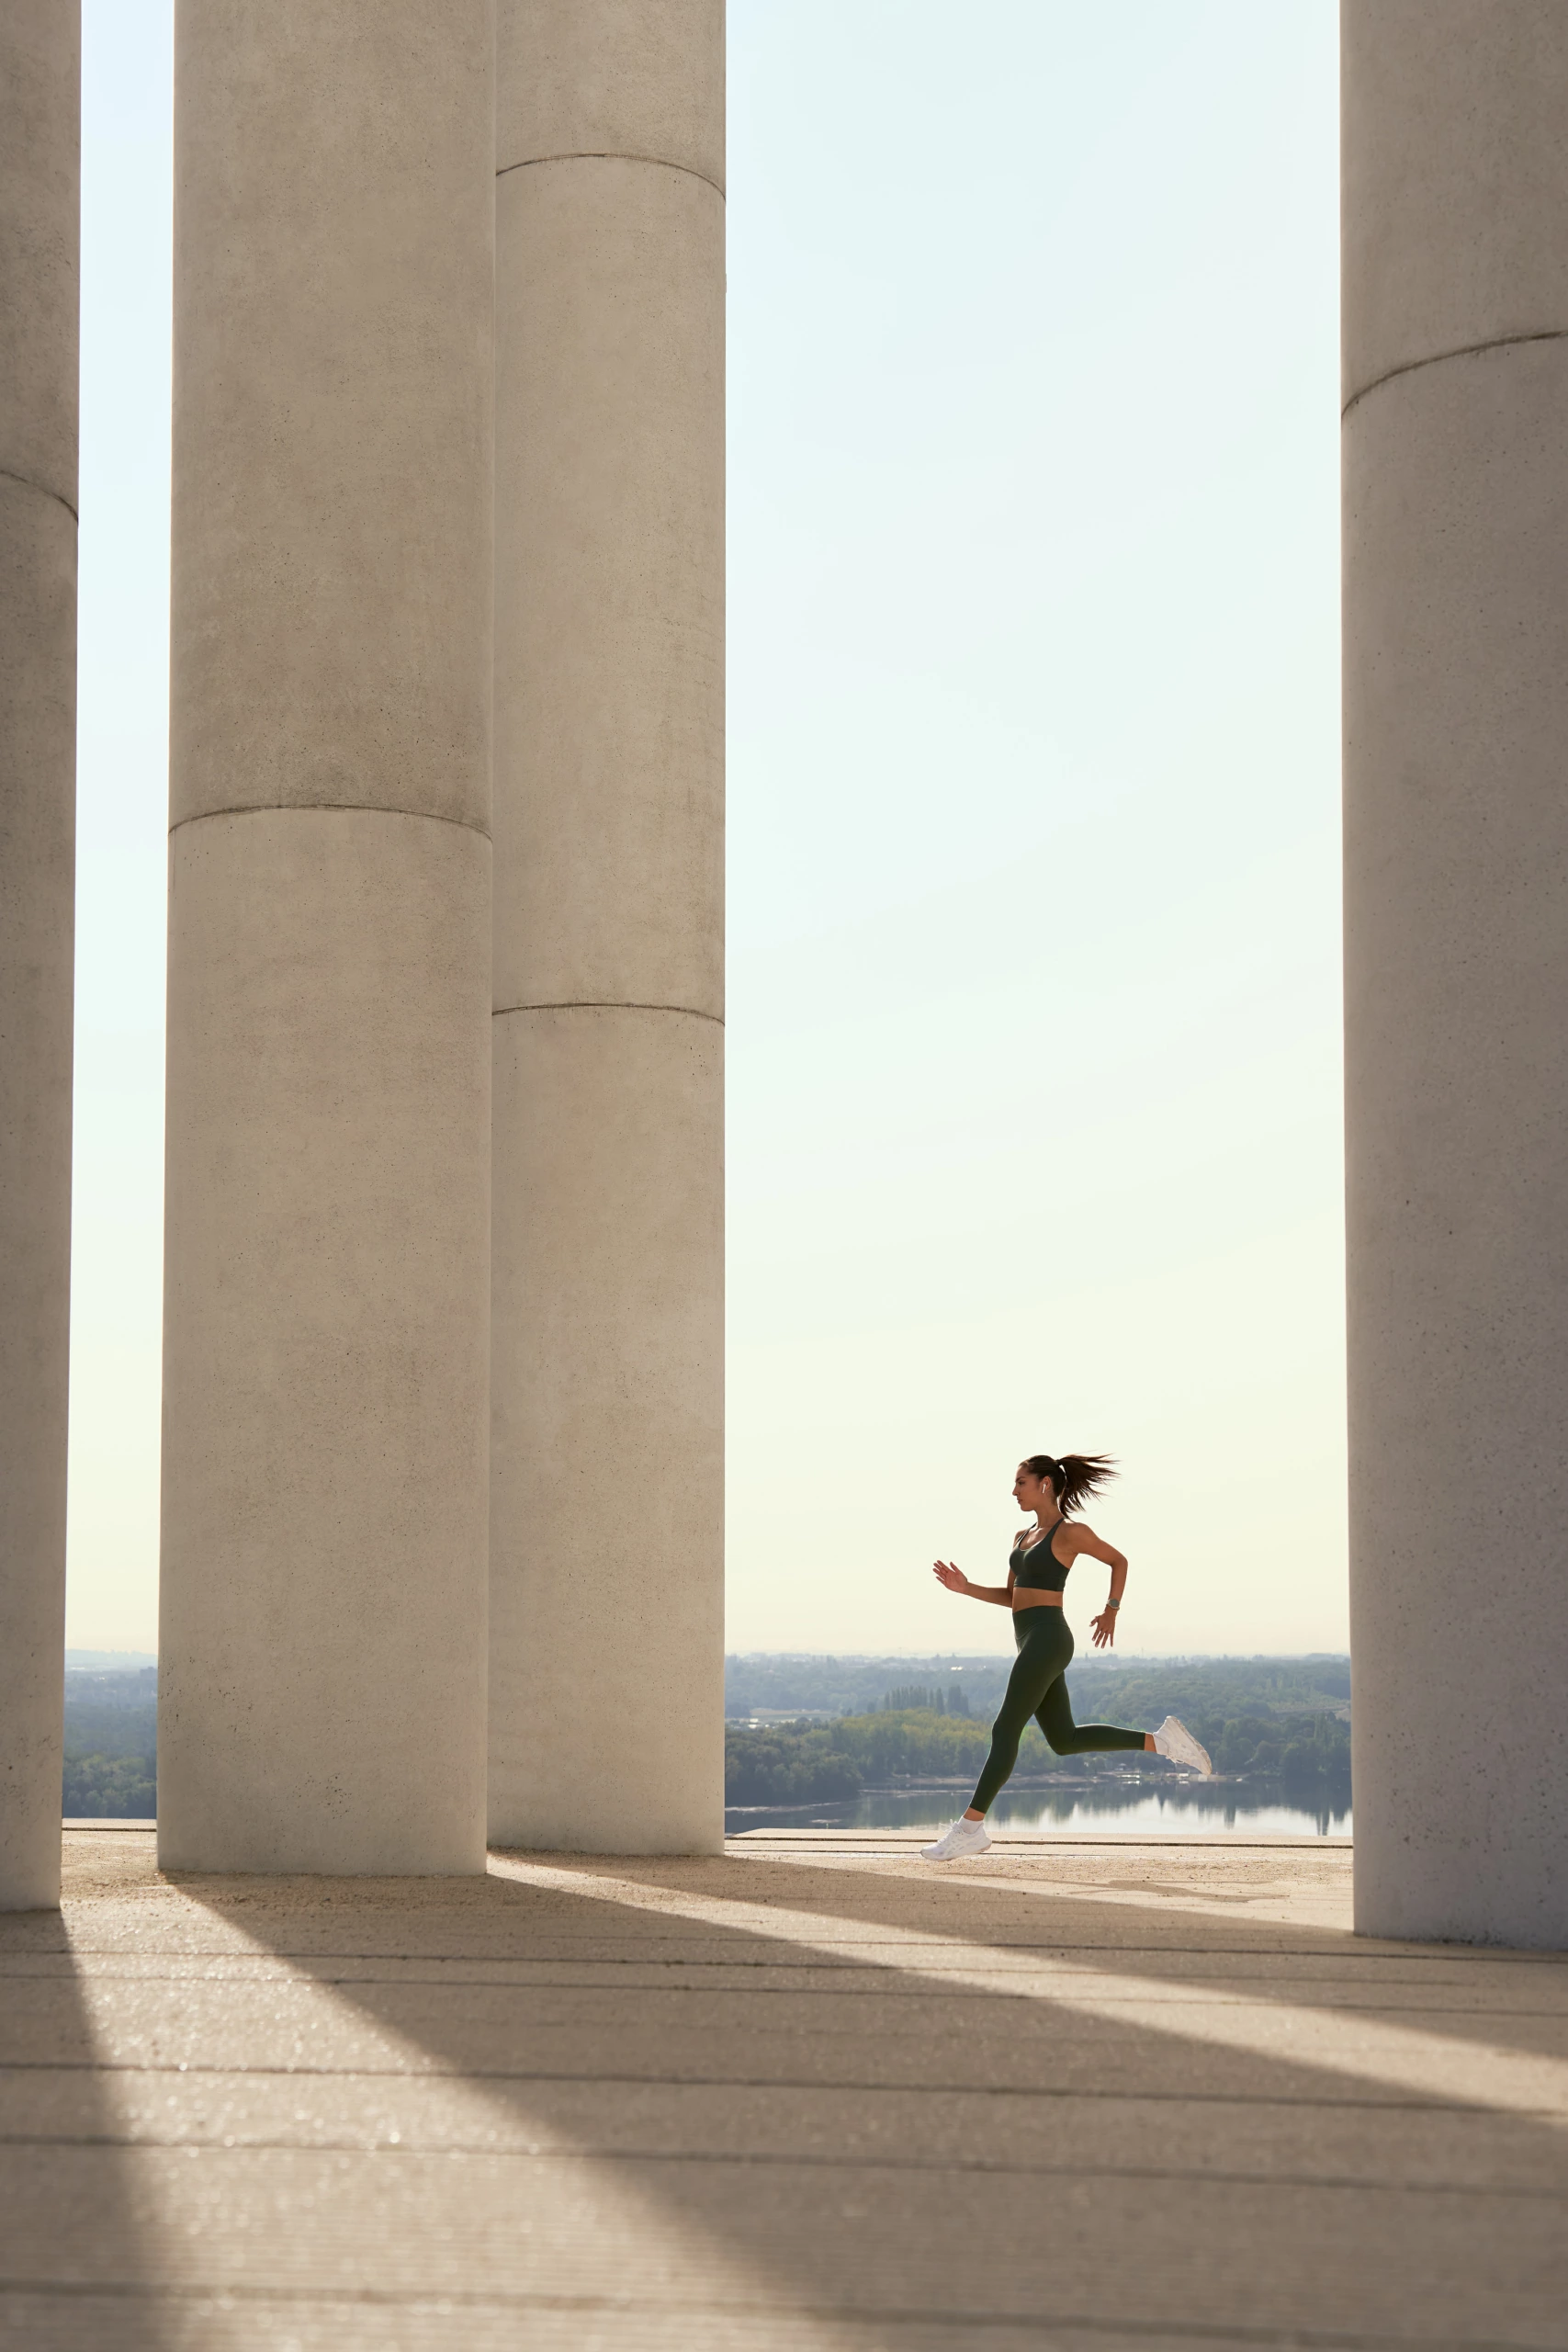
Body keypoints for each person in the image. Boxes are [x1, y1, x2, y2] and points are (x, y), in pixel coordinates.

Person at [920, 1453, 1212, 1862]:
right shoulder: (1021, 1537)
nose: (1013, 1491)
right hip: (1031, 1641)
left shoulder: (1069, 1533)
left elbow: (1118, 1560)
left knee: (1005, 1729)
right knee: (1064, 1740)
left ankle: (969, 1828)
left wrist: (1111, 1609)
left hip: (1048, 1638)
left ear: (1044, 1484)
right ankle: (1162, 1743)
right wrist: (965, 1588)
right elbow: (1012, 1597)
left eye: (1020, 1482)